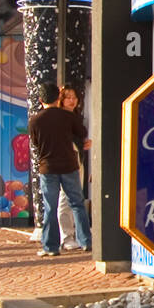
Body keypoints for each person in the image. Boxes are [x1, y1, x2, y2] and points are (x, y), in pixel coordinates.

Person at [29, 81, 90, 257]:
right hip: (69, 165)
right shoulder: (68, 117)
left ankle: (50, 247)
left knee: (50, 207)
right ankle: (85, 241)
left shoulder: (35, 120)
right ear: (58, 98)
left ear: (40, 99)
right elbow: (81, 133)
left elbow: (35, 143)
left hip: (47, 168)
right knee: (77, 204)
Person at [56, 84, 93, 251]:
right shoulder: (59, 117)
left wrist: (84, 143)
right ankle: (67, 236)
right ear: (61, 100)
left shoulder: (76, 116)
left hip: (77, 158)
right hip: (66, 160)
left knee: (76, 197)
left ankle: (79, 235)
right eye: (68, 97)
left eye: (74, 97)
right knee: (66, 198)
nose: (71, 101)